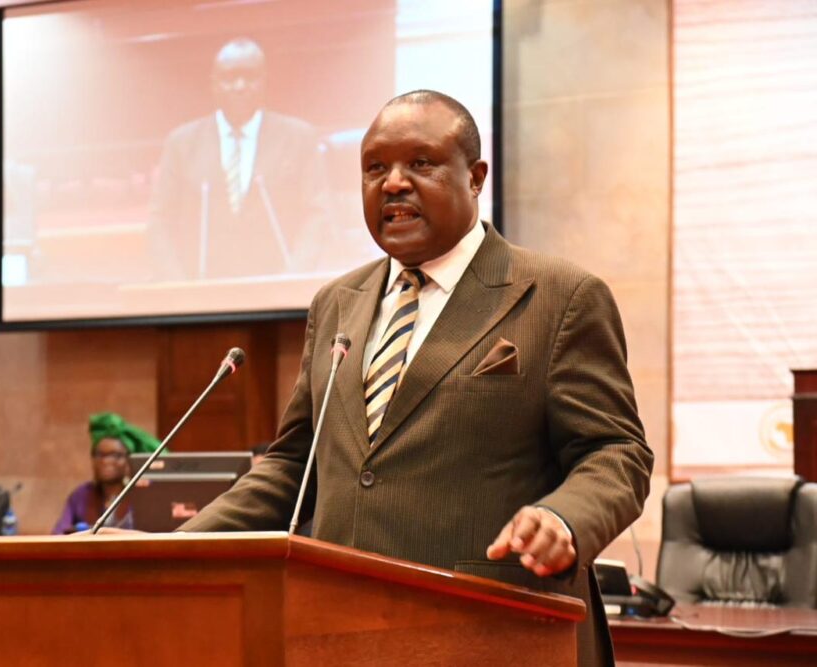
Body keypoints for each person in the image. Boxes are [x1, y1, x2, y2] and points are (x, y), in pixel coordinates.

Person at [179, 90, 653, 666]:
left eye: (420, 163)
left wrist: (563, 518)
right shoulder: (337, 303)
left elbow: (616, 453)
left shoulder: (559, 297)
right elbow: (292, 468)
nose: (394, 183)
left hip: (493, 631)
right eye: (375, 168)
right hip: (335, 632)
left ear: (476, 178)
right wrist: (181, 547)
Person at [146, 37, 330, 280]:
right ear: (214, 84)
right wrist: (177, 285)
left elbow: (318, 213)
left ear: (264, 81)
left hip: (278, 290)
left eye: (250, 77)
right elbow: (160, 220)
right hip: (199, 293)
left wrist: (294, 277)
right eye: (230, 77)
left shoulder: (299, 138)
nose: (240, 86)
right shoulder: (181, 143)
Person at [52, 412, 164, 534]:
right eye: (100, 455)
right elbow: (58, 535)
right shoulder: (81, 495)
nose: (106, 461)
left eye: (115, 455)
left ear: (128, 460)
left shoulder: (142, 495)